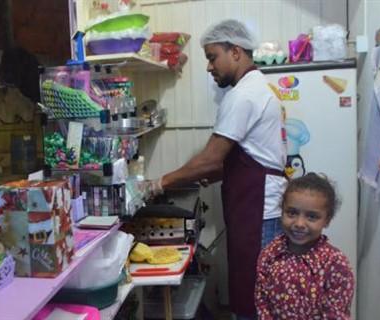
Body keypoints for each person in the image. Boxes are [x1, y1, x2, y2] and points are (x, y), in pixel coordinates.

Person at [146, 19, 287, 319]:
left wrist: (160, 182)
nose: (209, 67)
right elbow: (241, 159)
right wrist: (203, 175)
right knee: (252, 288)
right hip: (255, 204)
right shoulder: (255, 88)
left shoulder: (244, 95)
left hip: (259, 208)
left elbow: (211, 159)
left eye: (212, 57)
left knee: (255, 295)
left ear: (235, 51)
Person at [255, 173, 354, 319]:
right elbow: (262, 300)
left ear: (327, 220)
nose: (299, 224)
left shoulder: (336, 264)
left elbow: (335, 314)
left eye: (312, 216)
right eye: (292, 213)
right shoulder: (270, 253)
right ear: (282, 212)